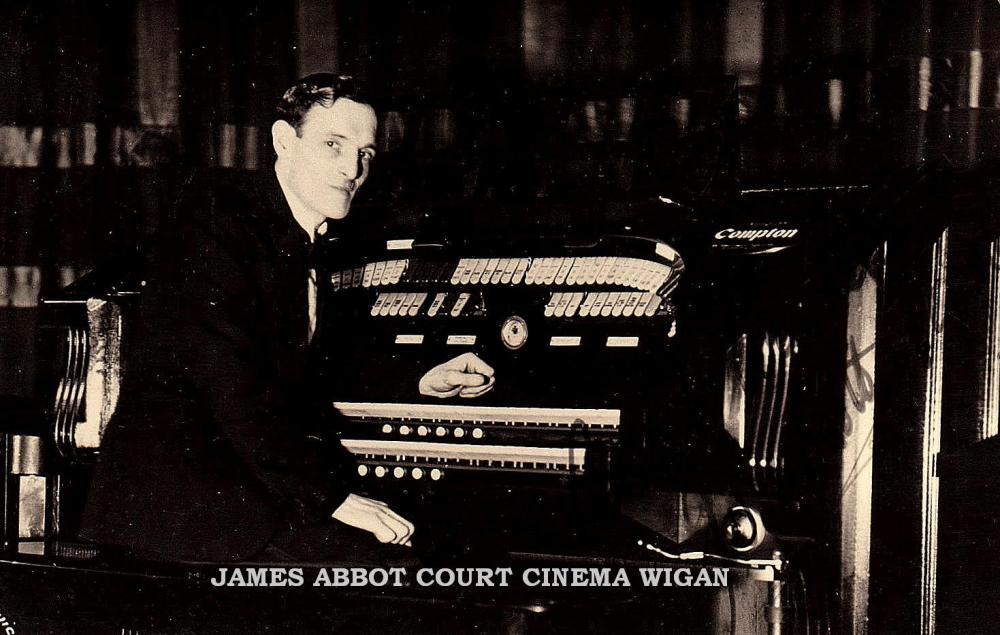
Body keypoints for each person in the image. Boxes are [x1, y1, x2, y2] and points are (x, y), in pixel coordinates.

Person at [79, 74, 495, 563]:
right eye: (332, 145)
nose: (351, 169)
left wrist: (421, 375)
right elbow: (233, 387)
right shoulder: (214, 221)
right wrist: (335, 500)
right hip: (184, 509)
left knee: (445, 549)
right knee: (397, 570)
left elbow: (313, 361)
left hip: (253, 487)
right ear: (283, 141)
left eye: (365, 154)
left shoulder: (308, 233)